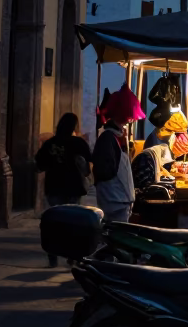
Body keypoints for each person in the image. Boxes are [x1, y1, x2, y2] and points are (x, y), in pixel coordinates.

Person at [36, 113, 92, 266]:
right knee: (73, 223)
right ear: (74, 127)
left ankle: (52, 256)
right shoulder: (79, 143)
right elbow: (88, 164)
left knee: (54, 223)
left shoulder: (50, 143)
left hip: (53, 187)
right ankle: (72, 257)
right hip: (74, 187)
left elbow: (39, 164)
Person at [92, 107, 136, 225]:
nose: (126, 130)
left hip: (119, 199)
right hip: (115, 199)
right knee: (117, 236)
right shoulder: (108, 139)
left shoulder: (113, 139)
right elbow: (106, 170)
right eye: (124, 126)